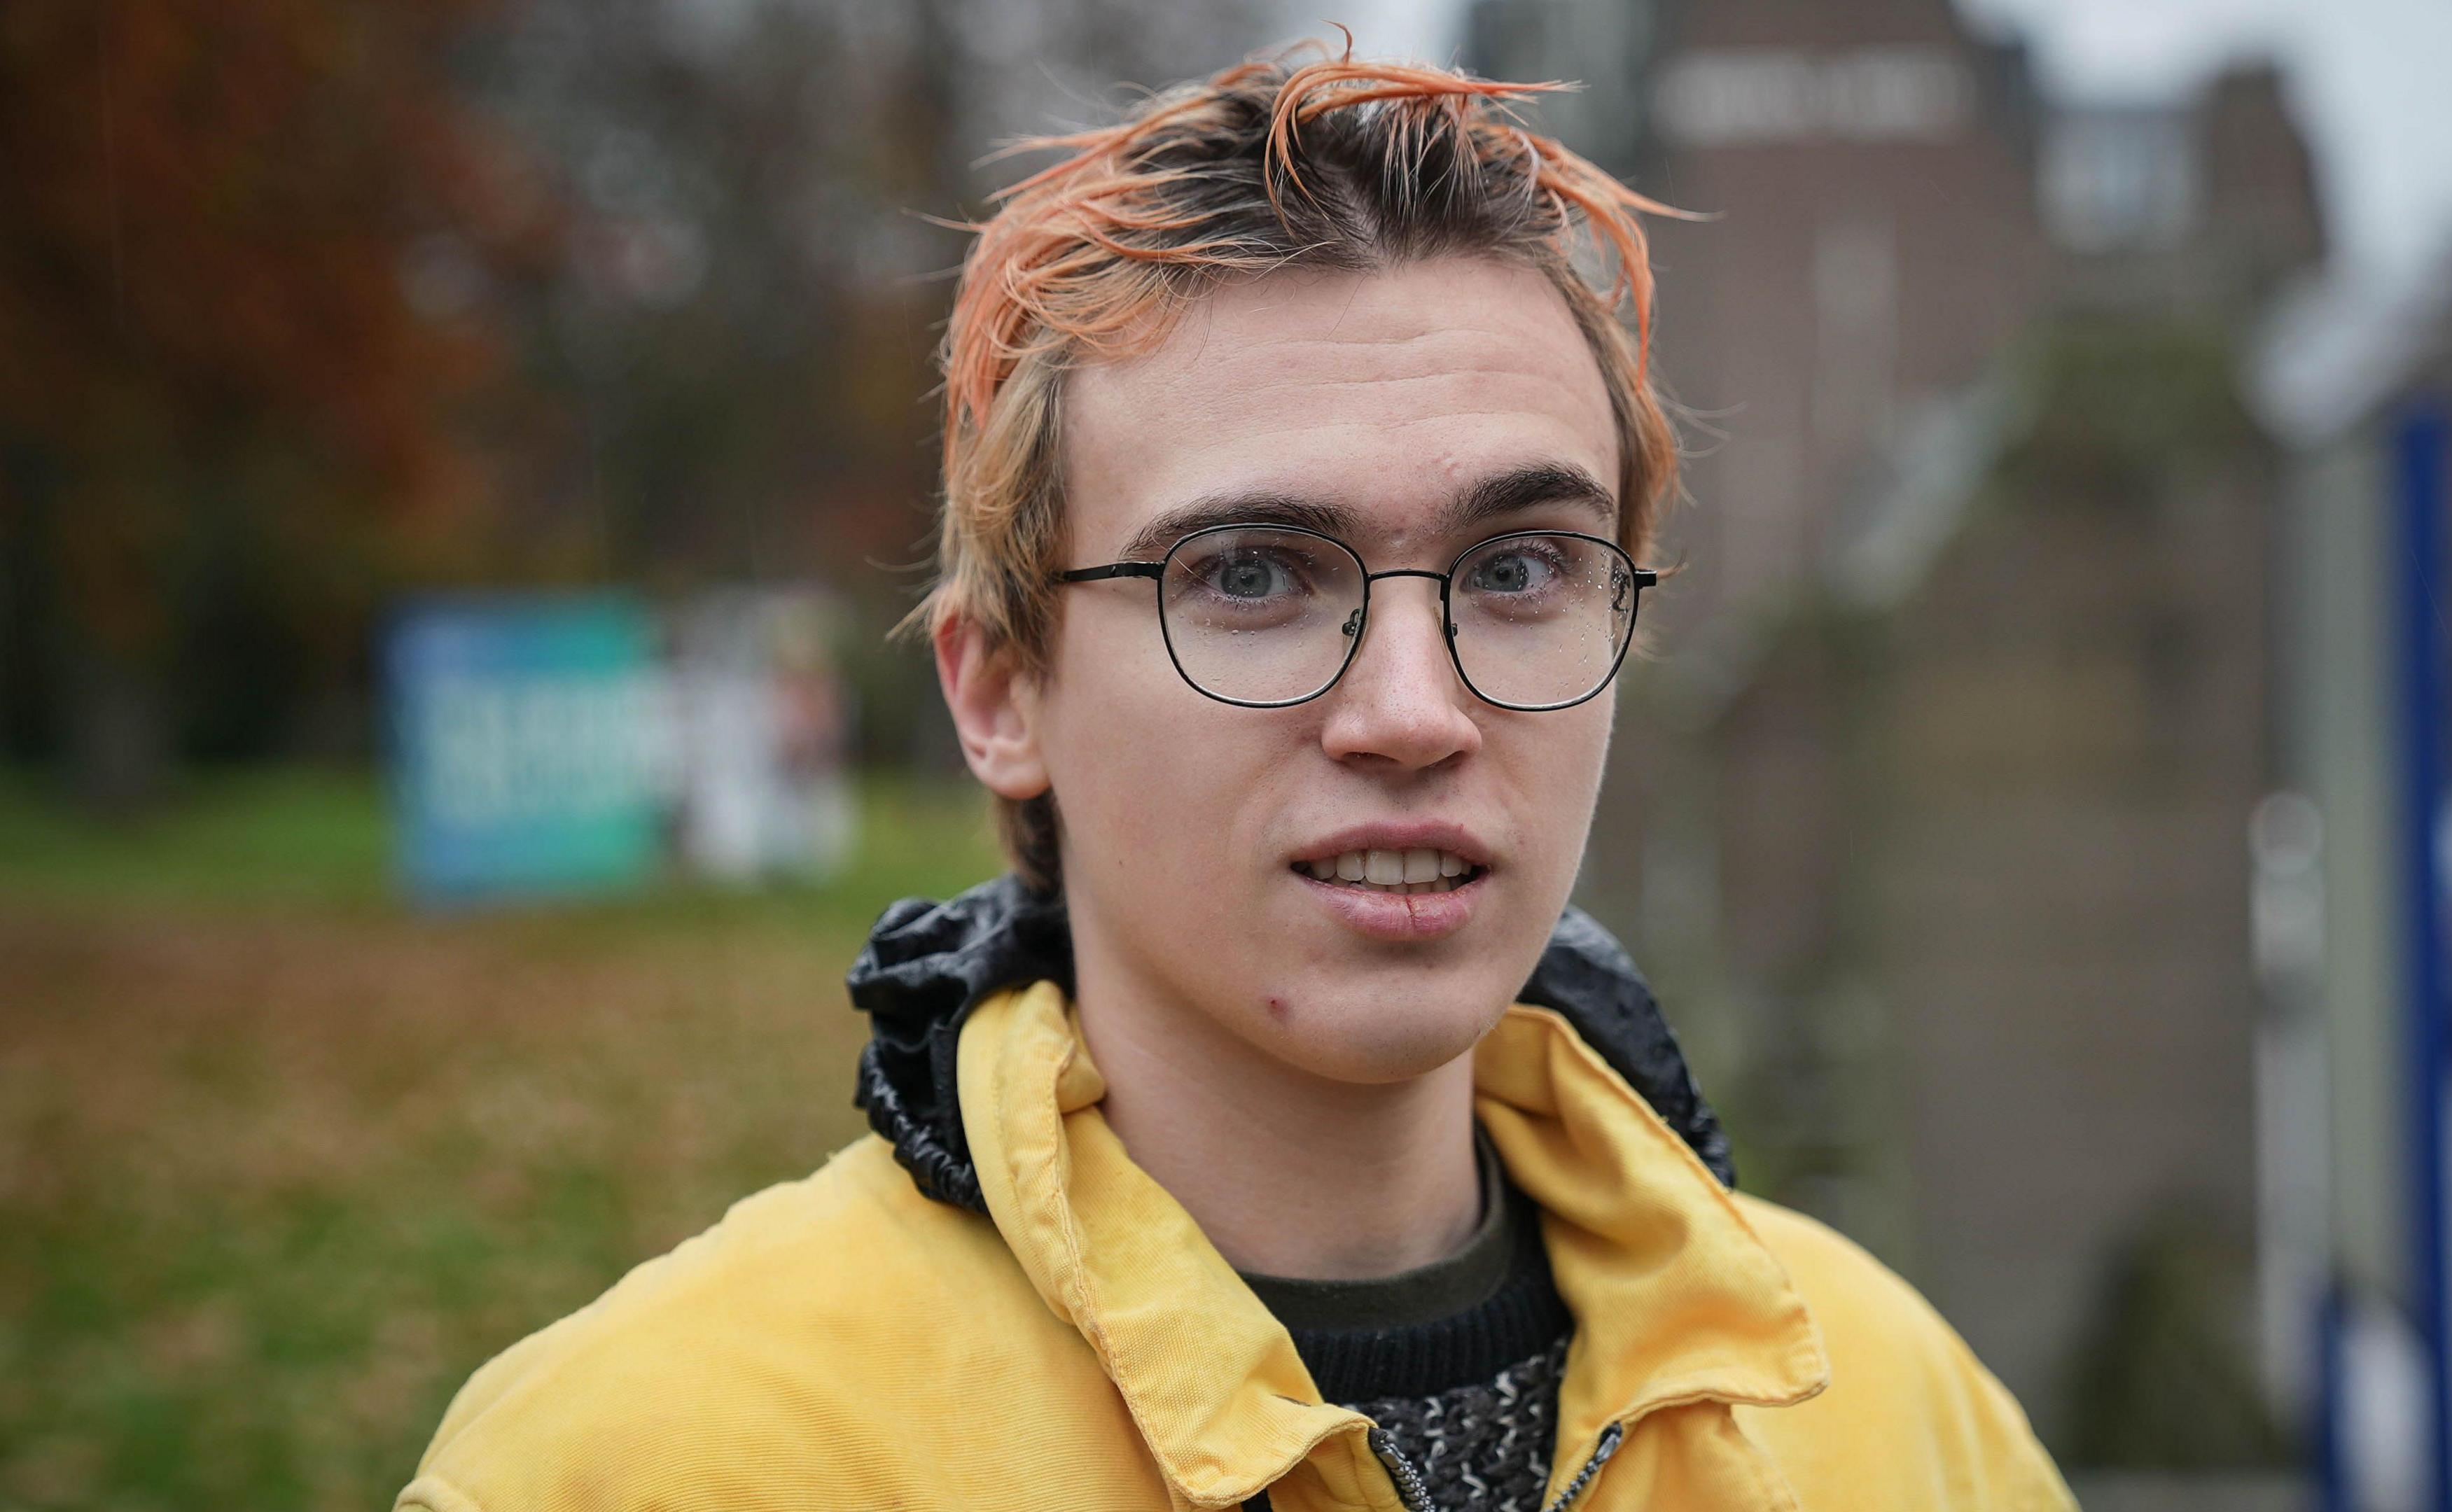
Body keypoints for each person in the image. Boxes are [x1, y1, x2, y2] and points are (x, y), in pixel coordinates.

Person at [397, 46, 2077, 1512]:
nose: (1414, 714)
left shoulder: (1893, 1417)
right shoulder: (651, 1469)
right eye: (1255, 577)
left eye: (1517, 568)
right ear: (1000, 693)